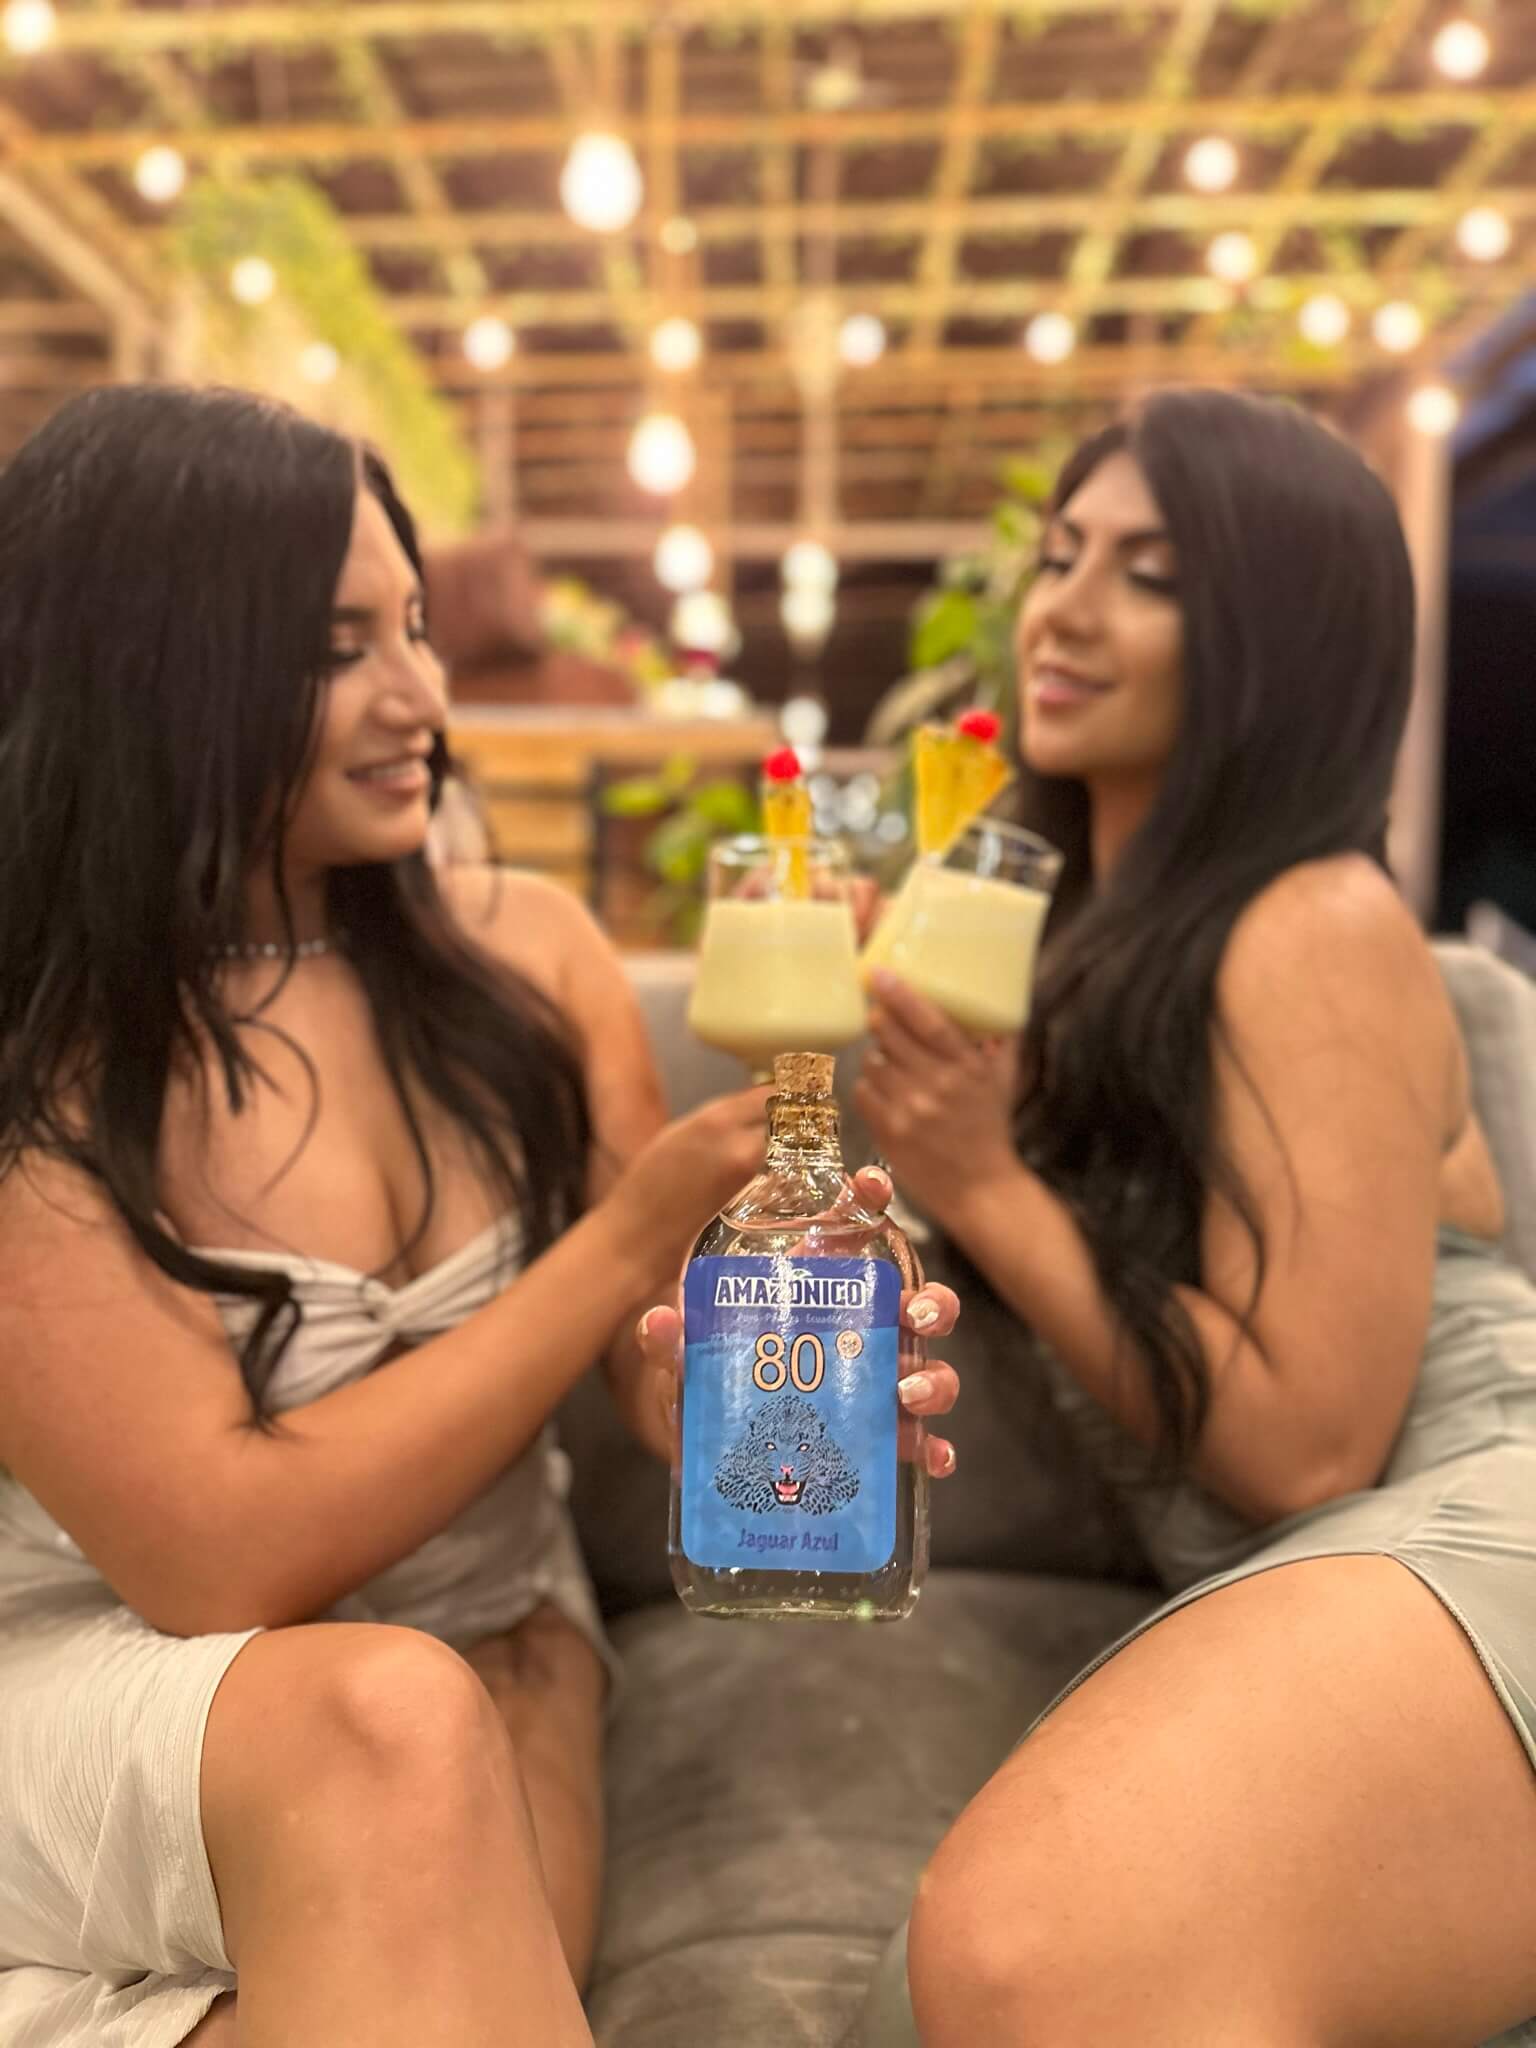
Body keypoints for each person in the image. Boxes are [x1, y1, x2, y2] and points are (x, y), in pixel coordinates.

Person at [0, 384, 961, 2048]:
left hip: (497, 1634)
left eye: (419, 630)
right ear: (150, 665)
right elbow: (213, 1553)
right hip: (116, 1668)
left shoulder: (528, 954)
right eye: (339, 648)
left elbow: (644, 1360)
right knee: (392, 1731)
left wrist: (777, 1391)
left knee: (438, 1837)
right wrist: (625, 1233)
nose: (423, 698)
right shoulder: (47, 1055)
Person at [855, 388, 1536, 2047]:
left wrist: (988, 1181)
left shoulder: (1313, 920)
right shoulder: (1065, 952)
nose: (1065, 609)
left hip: (1484, 1514)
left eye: (1148, 574)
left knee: (1028, 1953)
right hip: (1310, 1577)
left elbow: (1310, 1448)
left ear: (1276, 640)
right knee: (942, 1996)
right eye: (1061, 556)